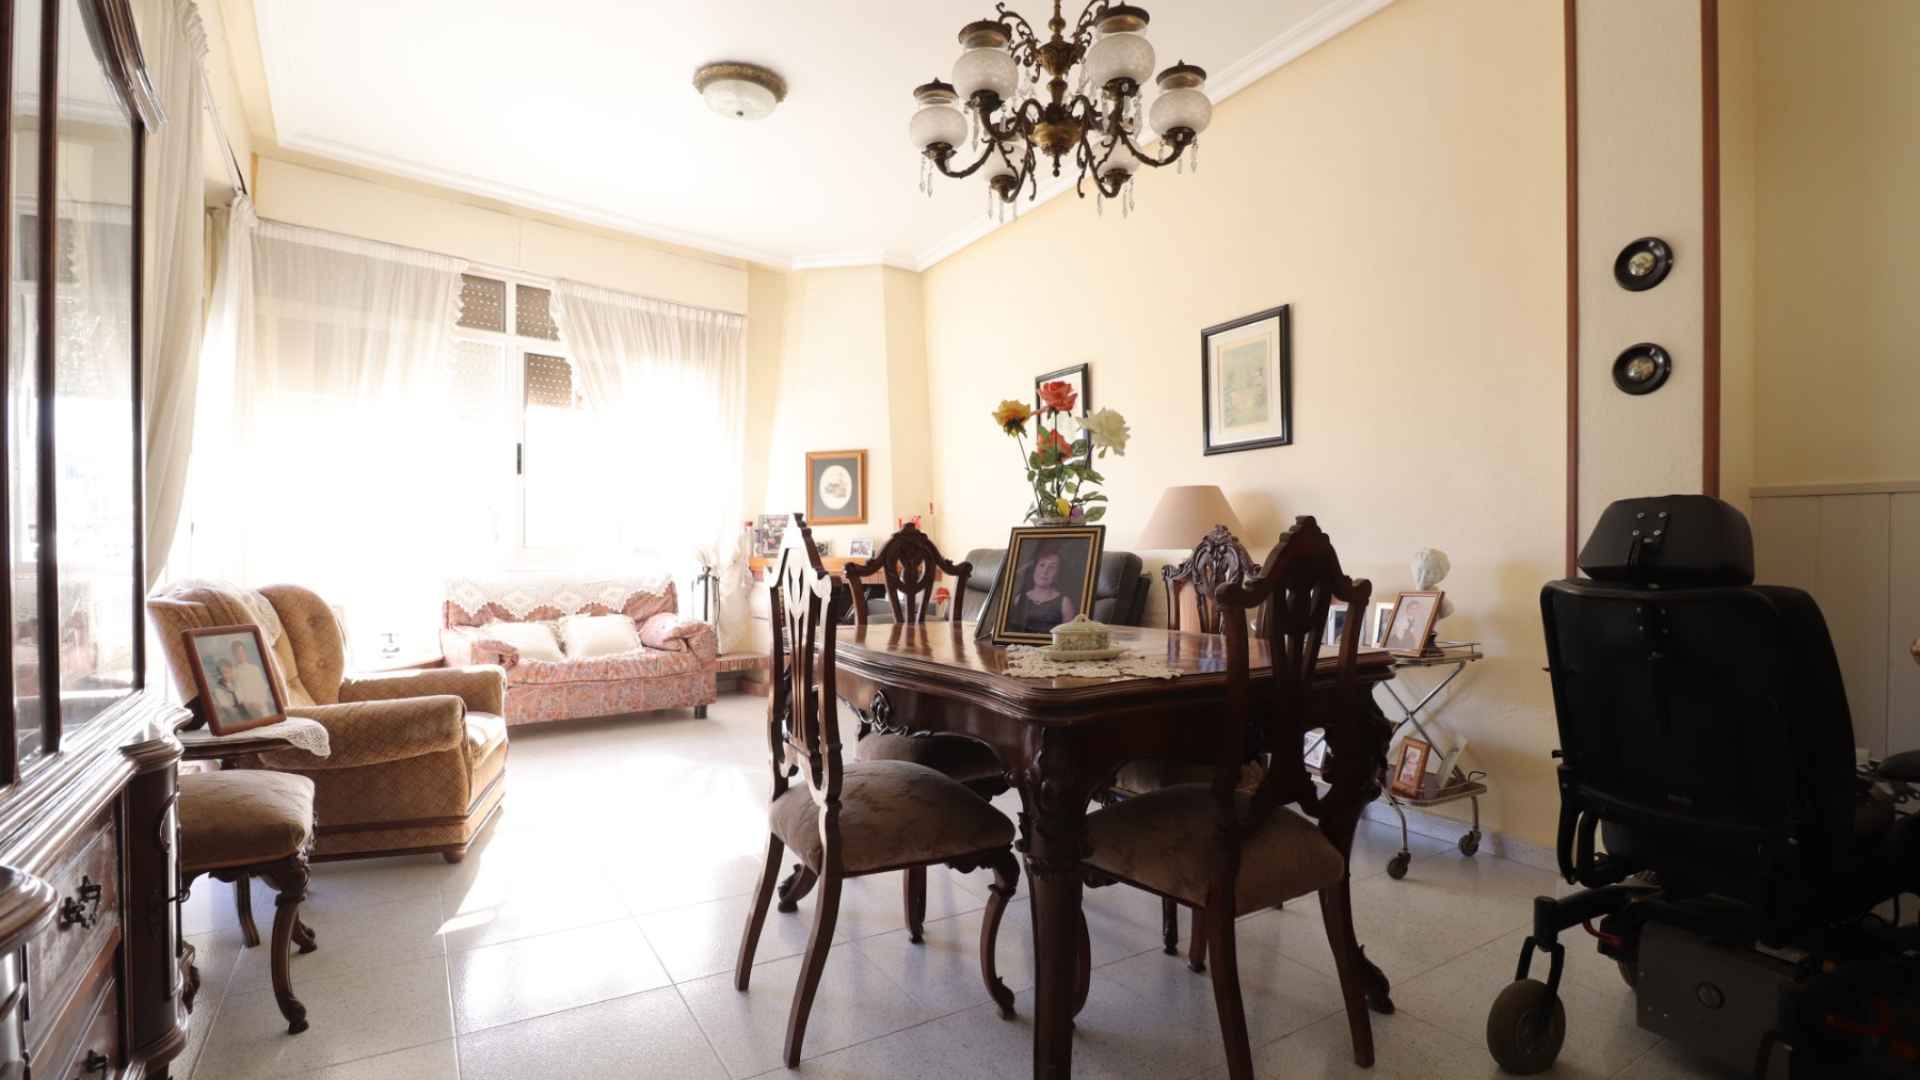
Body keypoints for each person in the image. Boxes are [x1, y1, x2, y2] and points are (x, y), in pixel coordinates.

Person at [1004, 543, 1079, 634]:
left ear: (1057, 574)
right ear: (1034, 569)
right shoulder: (1019, 598)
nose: (1045, 571)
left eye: (1052, 567)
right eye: (1042, 565)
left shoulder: (1065, 603)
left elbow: (1068, 638)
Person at [228, 639, 277, 718]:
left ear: (245, 652)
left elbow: (263, 688)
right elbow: (237, 693)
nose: (240, 655)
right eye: (237, 653)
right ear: (234, 655)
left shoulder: (255, 669)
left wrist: (261, 701)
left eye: (242, 651)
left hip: (261, 706)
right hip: (248, 709)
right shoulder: (234, 673)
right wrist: (249, 704)